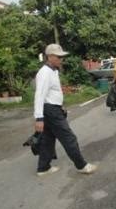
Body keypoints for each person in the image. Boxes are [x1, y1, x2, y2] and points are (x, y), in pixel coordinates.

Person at [34, 43, 97, 176]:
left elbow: (52, 93)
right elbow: (39, 96)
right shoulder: (45, 73)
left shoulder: (53, 70)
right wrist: (39, 118)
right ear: (50, 56)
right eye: (58, 57)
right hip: (50, 111)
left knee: (48, 139)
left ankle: (43, 168)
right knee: (69, 138)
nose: (61, 59)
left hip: (52, 109)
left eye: (62, 57)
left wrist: (60, 105)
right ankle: (81, 165)